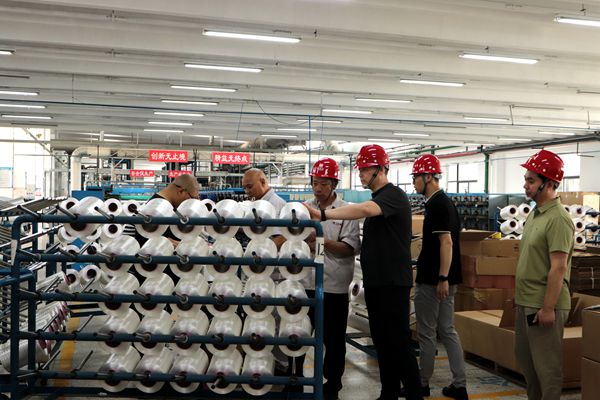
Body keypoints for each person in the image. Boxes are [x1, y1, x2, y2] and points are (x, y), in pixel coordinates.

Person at [306, 144, 423, 400]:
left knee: (398, 342)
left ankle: (414, 394)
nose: (360, 174)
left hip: (392, 283)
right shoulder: (379, 198)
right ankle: (388, 393)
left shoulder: (392, 195)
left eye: (364, 169)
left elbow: (365, 210)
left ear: (380, 169)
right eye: (359, 170)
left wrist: (323, 215)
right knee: (382, 341)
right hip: (377, 283)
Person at [290, 158, 361, 400]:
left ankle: (332, 385)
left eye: (323, 184)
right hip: (304, 284)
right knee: (298, 334)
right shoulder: (303, 209)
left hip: (333, 287)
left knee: (333, 340)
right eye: (314, 183)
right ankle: (295, 380)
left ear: (334, 184)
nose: (317, 188)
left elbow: (349, 248)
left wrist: (319, 241)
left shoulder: (346, 211)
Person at [515, 149, 574, 400]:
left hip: (543, 305)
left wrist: (548, 307)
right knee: (528, 367)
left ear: (549, 184)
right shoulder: (535, 214)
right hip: (526, 301)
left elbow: (559, 266)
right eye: (526, 179)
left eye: (531, 180)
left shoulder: (558, 219)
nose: (525, 185)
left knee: (547, 369)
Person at [411, 154, 468, 400]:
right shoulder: (446, 203)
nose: (414, 182)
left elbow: (446, 242)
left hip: (434, 280)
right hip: (446, 278)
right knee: (447, 330)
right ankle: (460, 385)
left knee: (426, 332)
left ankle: (422, 383)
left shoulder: (437, 205)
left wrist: (441, 278)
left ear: (428, 177)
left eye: (416, 177)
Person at [242, 168, 286, 247]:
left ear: (262, 182)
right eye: (244, 188)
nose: (247, 191)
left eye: (250, 187)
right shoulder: (258, 203)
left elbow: (281, 238)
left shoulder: (275, 204)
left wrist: (261, 250)